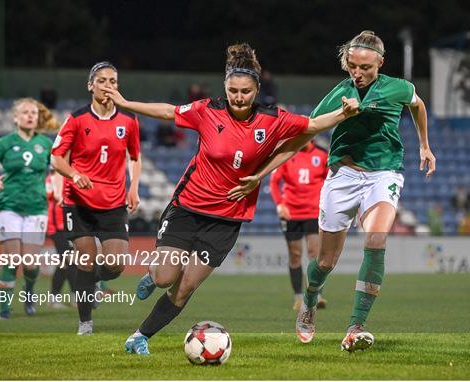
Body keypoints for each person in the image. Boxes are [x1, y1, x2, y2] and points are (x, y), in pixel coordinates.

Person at [100, 42, 359, 355]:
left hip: (227, 220)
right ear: (226, 87)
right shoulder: (207, 111)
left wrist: (343, 113)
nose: (239, 97)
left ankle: (139, 336)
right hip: (187, 209)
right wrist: (126, 103)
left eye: (246, 91)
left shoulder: (272, 119)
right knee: (165, 276)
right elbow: (168, 112)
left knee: (185, 288)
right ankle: (153, 275)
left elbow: (313, 124)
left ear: (256, 89)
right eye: (233, 90)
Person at [228, 31, 436, 352]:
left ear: (380, 63)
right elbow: (302, 136)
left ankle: (356, 326)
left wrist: (424, 145)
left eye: (365, 67)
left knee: (376, 239)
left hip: (384, 173)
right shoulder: (338, 95)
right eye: (352, 66)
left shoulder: (399, 88)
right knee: (325, 261)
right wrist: (261, 173)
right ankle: (309, 303)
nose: (358, 73)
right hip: (342, 176)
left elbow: (418, 104)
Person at [51, 61, 142, 335]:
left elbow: (135, 156)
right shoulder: (76, 119)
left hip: (113, 204)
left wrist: (134, 187)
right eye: (102, 81)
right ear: (91, 85)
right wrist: (74, 173)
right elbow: (56, 158)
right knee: (86, 258)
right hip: (78, 203)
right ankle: (85, 323)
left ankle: (89, 282)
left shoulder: (128, 120)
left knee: (115, 265)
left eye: (113, 81)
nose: (108, 86)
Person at [0, 98, 58, 319]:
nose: (30, 116)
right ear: (15, 117)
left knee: (30, 264)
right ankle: (4, 309)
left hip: (36, 207)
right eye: (25, 112)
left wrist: (58, 189)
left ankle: (29, 294)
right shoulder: (4, 143)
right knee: (11, 259)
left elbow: (58, 170)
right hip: (8, 206)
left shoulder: (46, 144)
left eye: (33, 113)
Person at [269, 139, 328, 311]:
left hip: (313, 212)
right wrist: (280, 204)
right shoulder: (286, 155)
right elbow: (274, 182)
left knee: (315, 253)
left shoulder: (322, 155)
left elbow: (330, 182)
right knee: (295, 255)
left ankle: (316, 295)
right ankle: (297, 297)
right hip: (291, 213)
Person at [46, 167, 76, 308]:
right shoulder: (51, 179)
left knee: (65, 263)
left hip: (69, 226)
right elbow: (52, 195)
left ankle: (55, 297)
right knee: (69, 260)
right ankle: (74, 295)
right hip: (57, 227)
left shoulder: (69, 178)